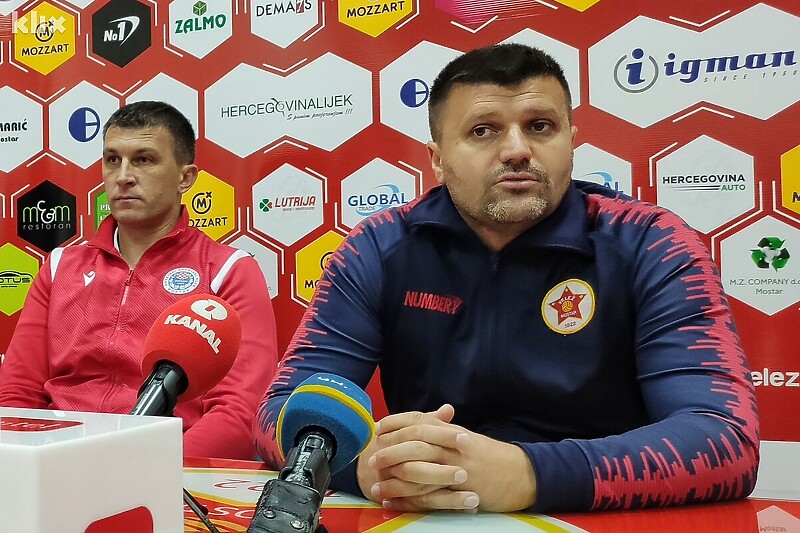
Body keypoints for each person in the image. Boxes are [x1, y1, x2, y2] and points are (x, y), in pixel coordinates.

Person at [253, 44, 759, 512]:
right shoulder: (379, 246)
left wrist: (529, 475)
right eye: (483, 130)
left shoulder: (652, 242)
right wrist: (359, 470)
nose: (517, 149)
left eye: (540, 126)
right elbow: (280, 411)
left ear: (571, 142)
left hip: (598, 515)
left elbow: (724, 438)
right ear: (437, 159)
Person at [0, 101, 278, 460]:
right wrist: (36, 464)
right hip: (55, 467)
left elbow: (240, 414)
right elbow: (16, 395)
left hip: (172, 477)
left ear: (185, 177)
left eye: (144, 159)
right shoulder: (60, 266)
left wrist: (142, 473)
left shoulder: (229, 270)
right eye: (112, 159)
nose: (123, 175)